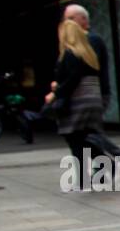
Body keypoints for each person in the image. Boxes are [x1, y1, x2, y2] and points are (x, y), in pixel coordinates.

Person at [45, 20, 105, 193]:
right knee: (84, 138)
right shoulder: (89, 55)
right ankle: (103, 169)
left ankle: (83, 180)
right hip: (92, 100)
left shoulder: (70, 54)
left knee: (74, 139)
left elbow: (72, 79)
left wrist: (56, 91)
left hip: (78, 102)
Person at [62, 4, 120, 160]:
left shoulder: (90, 40)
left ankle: (117, 158)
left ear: (83, 19)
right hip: (88, 94)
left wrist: (60, 89)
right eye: (66, 19)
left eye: (71, 19)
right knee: (84, 135)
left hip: (91, 93)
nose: (67, 23)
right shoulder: (79, 42)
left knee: (85, 134)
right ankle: (106, 168)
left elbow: (83, 69)